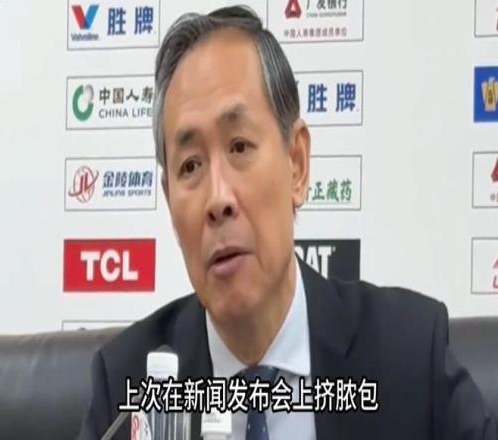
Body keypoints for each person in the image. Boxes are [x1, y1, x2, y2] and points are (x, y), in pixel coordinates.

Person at [78, 6, 497, 440]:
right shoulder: (128, 389)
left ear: (296, 163)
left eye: (239, 147)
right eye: (190, 166)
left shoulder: (408, 358)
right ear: (169, 202)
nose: (217, 199)